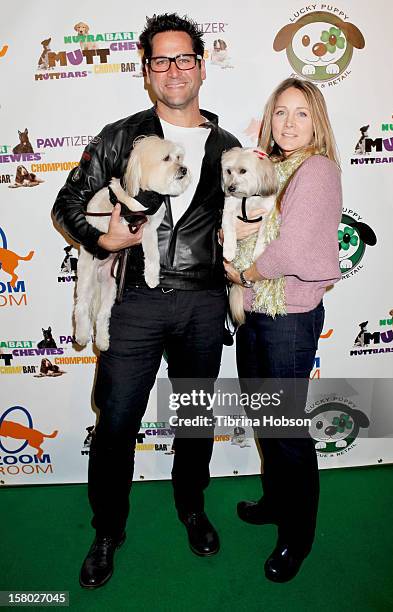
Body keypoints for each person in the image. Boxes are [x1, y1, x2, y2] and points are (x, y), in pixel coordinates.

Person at [52, 13, 248, 589]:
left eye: (184, 58)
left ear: (202, 67)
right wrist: (99, 237)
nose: (173, 70)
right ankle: (108, 530)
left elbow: (246, 217)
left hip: (202, 304)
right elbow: (68, 203)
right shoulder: (119, 138)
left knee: (192, 420)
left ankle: (193, 507)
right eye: (160, 60)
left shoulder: (228, 146)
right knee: (114, 424)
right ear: (146, 70)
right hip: (133, 303)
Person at [224, 78, 342, 583]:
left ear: (316, 121)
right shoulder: (272, 168)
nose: (288, 123)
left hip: (288, 316)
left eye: (300, 113)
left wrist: (244, 274)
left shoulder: (315, 170)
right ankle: (276, 502)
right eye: (280, 113)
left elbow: (291, 248)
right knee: (266, 418)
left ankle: (298, 535)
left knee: (288, 432)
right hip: (256, 312)